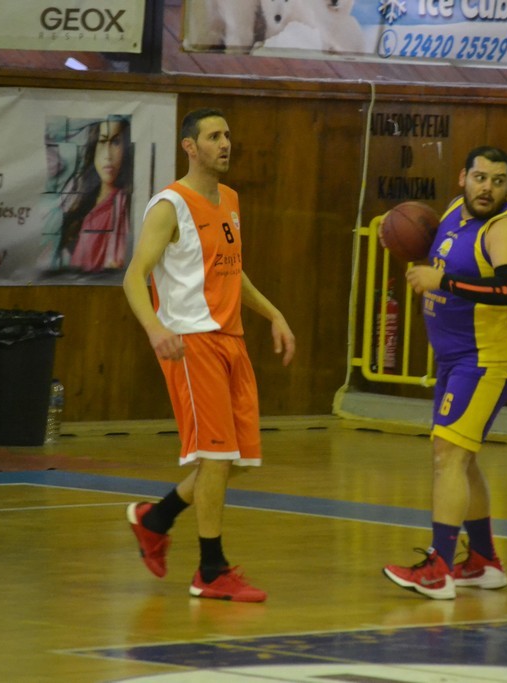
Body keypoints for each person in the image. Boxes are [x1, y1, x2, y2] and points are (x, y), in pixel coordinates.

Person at [121, 108, 295, 602]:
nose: (225, 144)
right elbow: (134, 277)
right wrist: (155, 329)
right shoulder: (169, 205)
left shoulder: (230, 200)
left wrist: (274, 314)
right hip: (191, 342)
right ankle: (211, 570)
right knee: (216, 457)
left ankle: (156, 519)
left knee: (237, 460)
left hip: (231, 341)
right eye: (214, 136)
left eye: (227, 135)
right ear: (189, 146)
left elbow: (231, 272)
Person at [382, 146, 507, 600]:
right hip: (455, 357)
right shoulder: (452, 211)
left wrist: (442, 281)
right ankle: (484, 561)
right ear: (463, 177)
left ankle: (438, 569)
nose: (488, 188)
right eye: (481, 177)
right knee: (459, 457)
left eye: (499, 181)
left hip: (488, 357)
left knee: (448, 456)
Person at [61, 116, 133, 273]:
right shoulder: (79, 202)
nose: (108, 154)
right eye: (102, 141)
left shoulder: (124, 206)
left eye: (116, 142)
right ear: (94, 147)